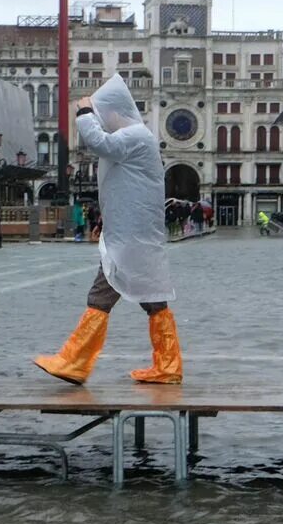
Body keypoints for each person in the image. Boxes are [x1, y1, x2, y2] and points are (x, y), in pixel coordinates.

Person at [35, 75, 181, 385]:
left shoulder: (135, 136)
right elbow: (123, 187)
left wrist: (85, 113)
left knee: (101, 294)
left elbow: (98, 142)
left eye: (104, 113)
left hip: (131, 239)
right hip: (135, 236)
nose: (102, 119)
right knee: (152, 300)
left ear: (114, 112)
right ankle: (168, 366)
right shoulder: (138, 137)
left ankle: (74, 362)